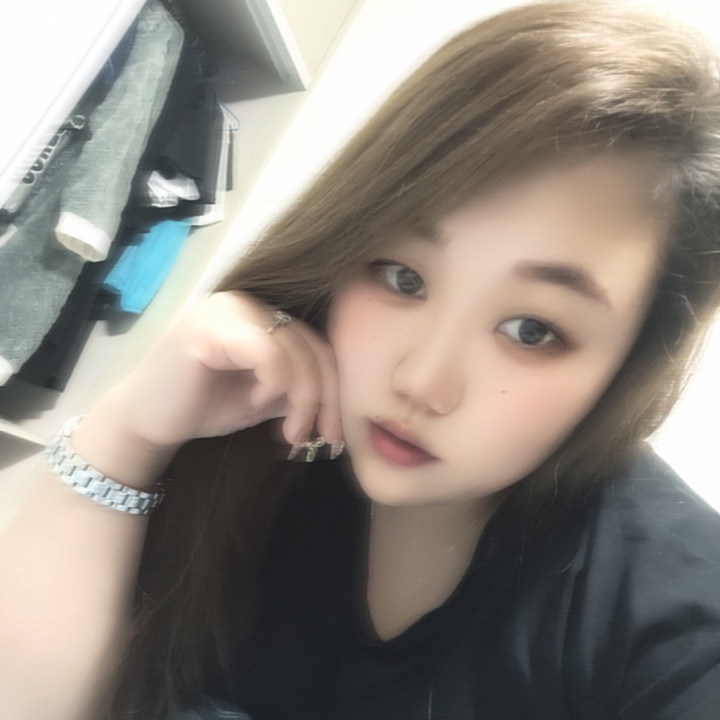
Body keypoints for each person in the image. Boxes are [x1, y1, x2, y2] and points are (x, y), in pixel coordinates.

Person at [2, 1, 720, 718]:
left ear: (630, 362)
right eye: (403, 278)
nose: (420, 381)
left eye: (531, 329)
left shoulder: (670, 621)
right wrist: (125, 438)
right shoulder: (266, 447)